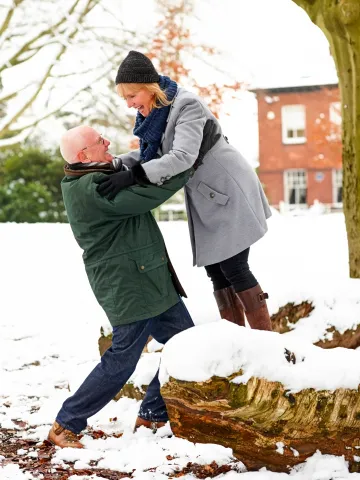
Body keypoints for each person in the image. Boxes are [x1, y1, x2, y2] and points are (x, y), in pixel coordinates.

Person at [48, 122, 217, 448]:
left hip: (148, 280)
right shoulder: (91, 188)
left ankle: (153, 414)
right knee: (121, 360)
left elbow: (134, 168)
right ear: (84, 154)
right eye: (100, 140)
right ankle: (65, 424)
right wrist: (188, 163)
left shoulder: (93, 175)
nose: (108, 140)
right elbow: (148, 194)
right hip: (129, 286)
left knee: (185, 345)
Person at [96, 50, 273, 331]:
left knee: (234, 268)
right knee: (216, 271)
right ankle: (238, 343)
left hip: (228, 189)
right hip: (208, 196)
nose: (129, 104)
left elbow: (182, 157)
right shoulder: (156, 115)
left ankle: (266, 344)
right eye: (125, 99)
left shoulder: (186, 105)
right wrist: (118, 164)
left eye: (132, 96)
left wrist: (134, 177)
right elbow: (151, 153)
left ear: (149, 88)